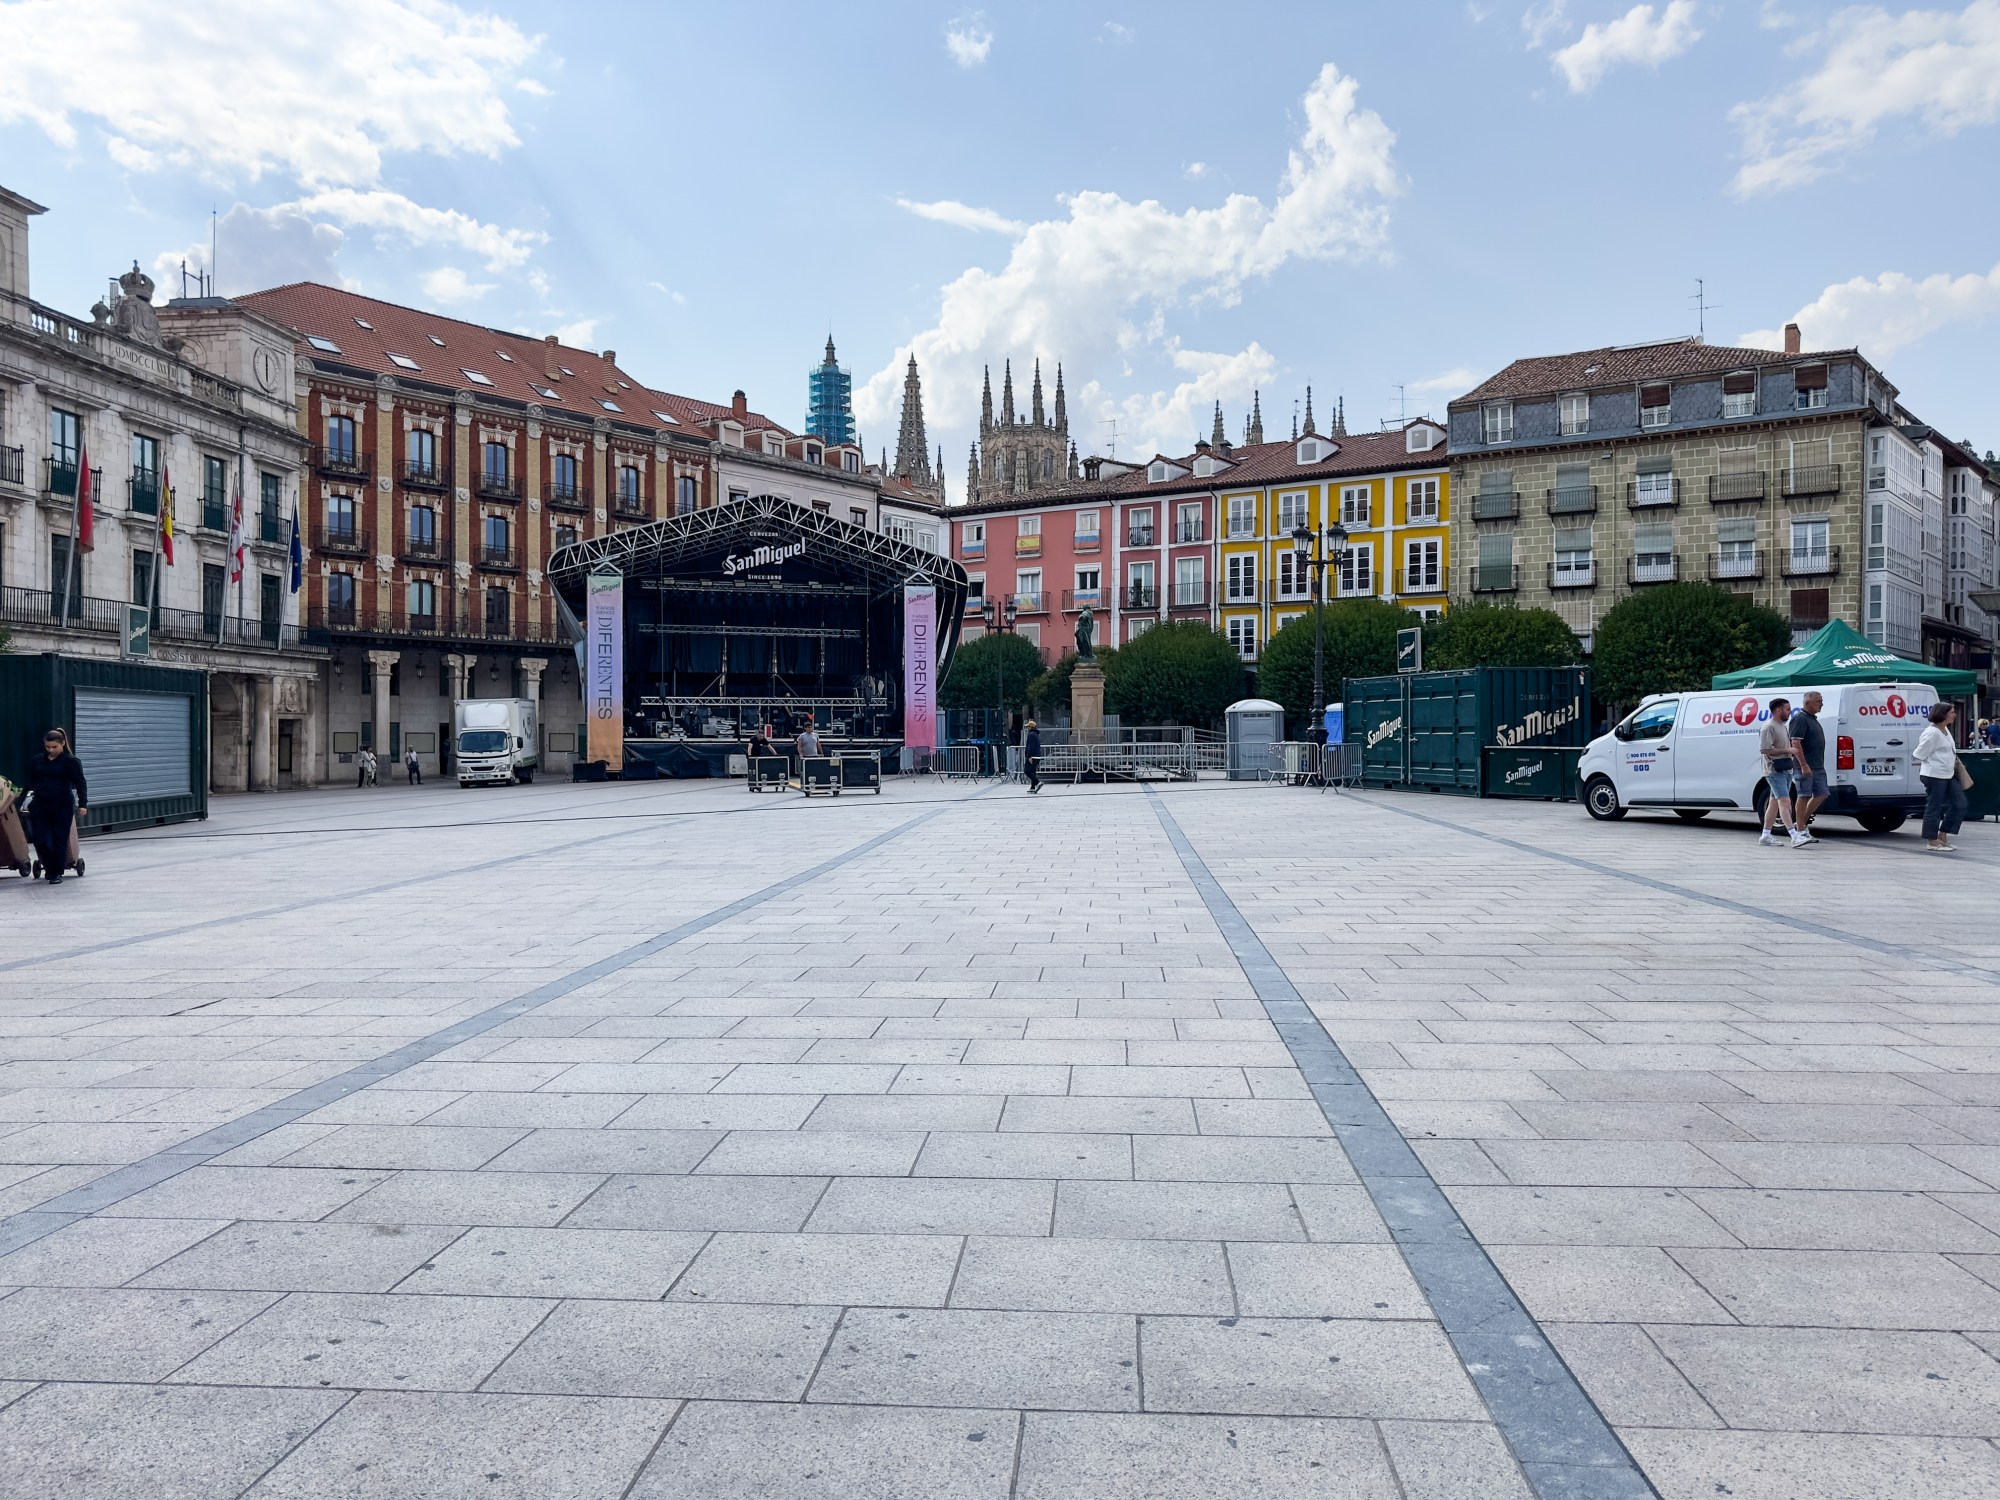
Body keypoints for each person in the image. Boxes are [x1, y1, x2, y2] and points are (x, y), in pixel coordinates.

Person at [24, 729, 87, 886]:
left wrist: (83, 803)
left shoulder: (70, 761)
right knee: (40, 840)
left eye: (54, 747)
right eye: (47, 747)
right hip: (40, 805)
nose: (51, 750)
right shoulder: (38, 761)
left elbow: (80, 782)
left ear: (62, 744)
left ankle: (56, 872)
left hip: (62, 805)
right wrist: (24, 800)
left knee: (60, 839)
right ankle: (50, 867)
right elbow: (31, 782)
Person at [1757, 697, 1812, 848]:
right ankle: (1794, 835)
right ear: (1778, 710)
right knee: (1785, 801)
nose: (1789, 712)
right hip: (1774, 769)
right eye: (1787, 709)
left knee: (1774, 802)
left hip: (1785, 768)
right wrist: (1788, 750)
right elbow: (1764, 749)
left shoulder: (1782, 726)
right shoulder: (1768, 727)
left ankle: (1766, 835)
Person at [1914, 701, 1967, 851]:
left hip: (1948, 774)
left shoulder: (1945, 730)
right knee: (1934, 807)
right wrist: (1938, 761)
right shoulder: (1932, 733)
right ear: (1943, 714)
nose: (1954, 715)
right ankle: (1932, 841)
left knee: (1960, 803)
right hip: (1934, 775)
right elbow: (1919, 753)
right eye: (1952, 713)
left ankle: (1943, 835)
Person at [1789, 690, 1828, 834]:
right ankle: (1800, 829)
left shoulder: (1812, 719)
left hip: (1817, 766)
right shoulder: (1800, 719)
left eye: (1821, 701)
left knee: (1822, 793)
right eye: (1818, 701)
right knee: (1804, 795)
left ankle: (1801, 823)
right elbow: (1795, 743)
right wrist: (1803, 764)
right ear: (1807, 703)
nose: (1821, 704)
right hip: (1805, 766)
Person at [1024, 718, 1042, 794]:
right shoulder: (1036, 734)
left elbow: (1030, 746)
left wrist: (1029, 756)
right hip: (1037, 755)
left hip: (1032, 756)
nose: (1027, 728)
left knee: (1027, 770)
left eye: (1028, 726)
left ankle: (1037, 783)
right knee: (1033, 771)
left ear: (1031, 727)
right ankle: (1032, 787)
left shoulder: (1031, 735)